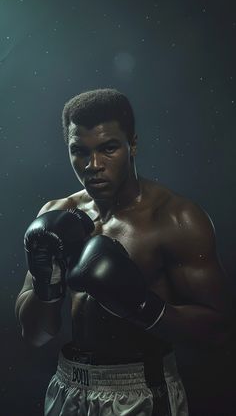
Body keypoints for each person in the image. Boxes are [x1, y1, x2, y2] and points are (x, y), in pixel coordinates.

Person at [15, 88, 232, 416]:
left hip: (141, 393)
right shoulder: (56, 214)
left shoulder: (175, 218)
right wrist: (48, 284)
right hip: (66, 389)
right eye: (80, 151)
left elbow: (218, 331)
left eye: (109, 148)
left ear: (132, 144)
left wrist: (139, 304)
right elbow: (35, 335)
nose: (94, 165)